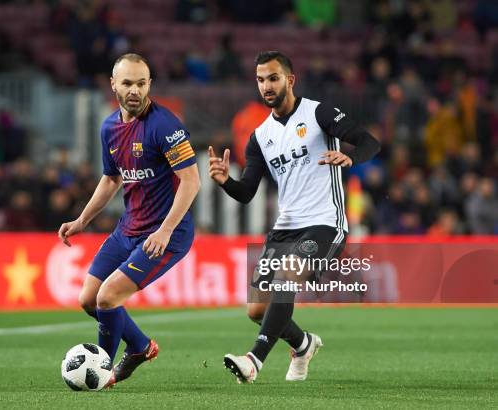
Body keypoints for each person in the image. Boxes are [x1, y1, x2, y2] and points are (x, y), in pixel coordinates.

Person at [208, 51, 380, 383]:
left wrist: (351, 156)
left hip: (325, 222)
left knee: (289, 273)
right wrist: (225, 181)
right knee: (256, 310)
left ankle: (254, 361)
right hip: (285, 228)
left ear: (290, 79)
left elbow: (369, 141)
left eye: (272, 78)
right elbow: (247, 192)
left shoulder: (318, 113)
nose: (266, 86)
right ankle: (303, 344)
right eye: (260, 80)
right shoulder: (260, 137)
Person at [58, 53, 200, 387]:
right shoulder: (109, 127)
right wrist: (81, 221)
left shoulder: (165, 125)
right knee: (88, 299)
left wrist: (165, 230)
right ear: (113, 85)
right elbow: (111, 180)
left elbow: (192, 180)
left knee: (107, 298)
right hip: (129, 228)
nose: (134, 90)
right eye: (127, 83)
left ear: (149, 84)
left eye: (141, 83)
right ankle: (139, 346)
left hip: (167, 233)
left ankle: (102, 371)